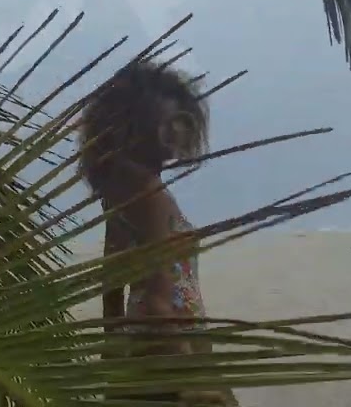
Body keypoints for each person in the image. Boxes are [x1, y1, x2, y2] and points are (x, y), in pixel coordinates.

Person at [79, 61, 236, 406]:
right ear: (138, 126)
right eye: (167, 122)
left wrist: (114, 343)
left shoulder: (117, 189)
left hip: (138, 341)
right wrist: (191, 377)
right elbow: (158, 299)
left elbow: (112, 275)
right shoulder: (151, 194)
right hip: (174, 338)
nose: (178, 131)